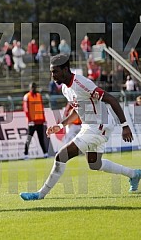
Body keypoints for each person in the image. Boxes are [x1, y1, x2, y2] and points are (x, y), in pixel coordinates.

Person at [20, 54, 141, 201]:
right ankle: (134, 174)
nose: (53, 75)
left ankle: (40, 194)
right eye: (51, 72)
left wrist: (125, 126)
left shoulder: (81, 83)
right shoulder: (65, 88)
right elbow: (78, 109)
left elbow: (110, 99)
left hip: (99, 126)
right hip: (89, 126)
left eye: (55, 71)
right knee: (94, 163)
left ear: (65, 69)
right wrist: (61, 125)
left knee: (61, 156)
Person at [23, 82, 48, 159]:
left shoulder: (39, 96)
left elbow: (41, 108)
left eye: (35, 87)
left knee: (41, 138)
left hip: (40, 121)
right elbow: (26, 109)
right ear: (30, 88)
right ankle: (26, 154)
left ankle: (45, 153)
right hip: (32, 122)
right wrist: (30, 120)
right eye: (32, 87)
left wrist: (44, 119)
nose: (34, 88)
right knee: (29, 138)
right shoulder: (27, 96)